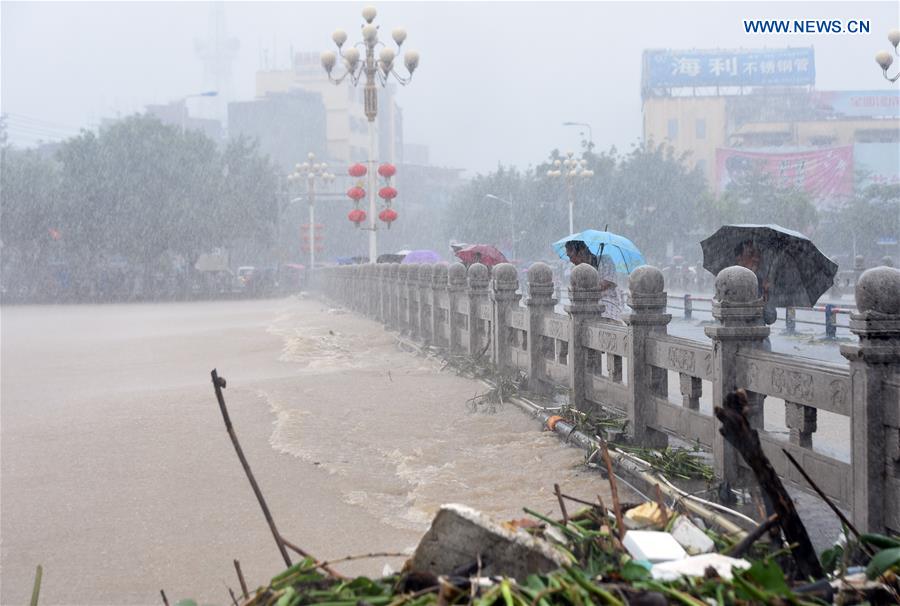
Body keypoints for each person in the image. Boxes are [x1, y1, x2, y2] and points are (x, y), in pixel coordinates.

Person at [564, 240, 624, 321]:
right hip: (583, 310)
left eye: (571, 256)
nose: (570, 260)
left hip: (608, 307)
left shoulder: (605, 261)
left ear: (581, 252)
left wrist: (585, 290)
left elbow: (606, 283)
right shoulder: (576, 270)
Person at [734, 239, 777, 325]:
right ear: (739, 258)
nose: (756, 259)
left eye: (758, 255)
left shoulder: (760, 282)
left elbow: (770, 318)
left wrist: (766, 295)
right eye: (751, 254)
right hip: (736, 335)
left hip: (758, 336)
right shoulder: (729, 281)